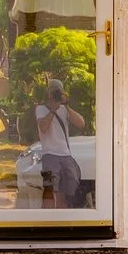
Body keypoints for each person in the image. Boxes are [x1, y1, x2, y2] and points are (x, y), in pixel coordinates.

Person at [35, 76, 84, 209]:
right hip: (49, 156)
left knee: (65, 193)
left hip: (66, 156)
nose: (55, 94)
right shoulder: (41, 109)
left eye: (58, 91)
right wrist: (52, 109)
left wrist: (66, 105)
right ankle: (46, 223)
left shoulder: (64, 110)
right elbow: (44, 128)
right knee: (49, 192)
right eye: (54, 91)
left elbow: (81, 123)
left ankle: (61, 222)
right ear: (48, 93)